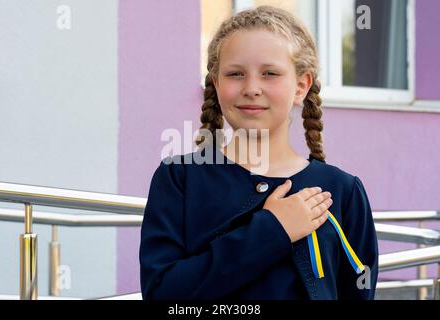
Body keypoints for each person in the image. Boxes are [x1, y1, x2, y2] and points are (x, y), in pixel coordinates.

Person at [139, 5, 378, 300]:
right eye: (236, 73)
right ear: (216, 83)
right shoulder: (179, 179)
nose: (252, 88)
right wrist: (273, 230)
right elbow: (163, 293)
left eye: (270, 73)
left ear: (301, 86)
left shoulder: (342, 191)